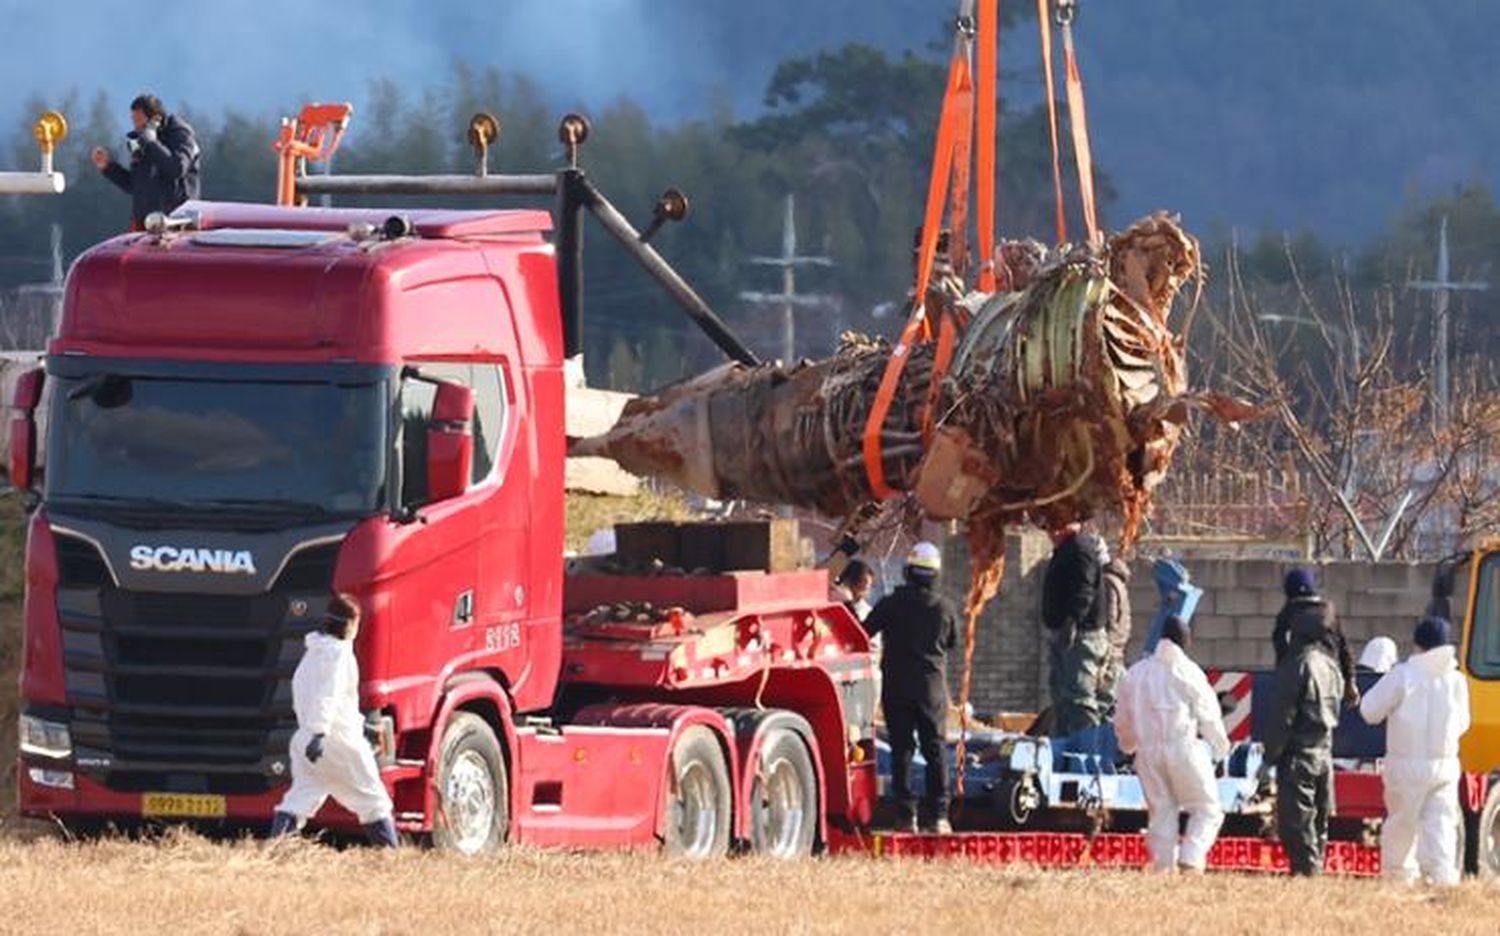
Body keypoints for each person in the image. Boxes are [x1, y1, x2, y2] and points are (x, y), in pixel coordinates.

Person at [270, 595, 397, 847]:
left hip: (305, 739)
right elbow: (328, 694)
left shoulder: (312, 654)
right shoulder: (339, 654)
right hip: (336, 741)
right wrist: (320, 732)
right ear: (351, 624)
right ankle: (392, 856)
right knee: (373, 800)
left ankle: (272, 850)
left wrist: (360, 726)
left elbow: (318, 698)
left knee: (301, 798)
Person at [1359, 617, 1470, 886]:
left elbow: (1369, 710)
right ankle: (1443, 881)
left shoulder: (1404, 675)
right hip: (1445, 766)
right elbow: (1463, 723)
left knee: (1402, 826)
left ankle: (1400, 882)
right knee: (1441, 826)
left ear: (1418, 644)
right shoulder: (1456, 679)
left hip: (1405, 766)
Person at [1114, 615, 1229, 872]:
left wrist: (1129, 746)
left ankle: (1164, 869)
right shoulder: (1189, 672)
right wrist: (1221, 747)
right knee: (1207, 809)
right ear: (1185, 641)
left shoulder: (1136, 674)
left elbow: (1122, 720)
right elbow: (1208, 714)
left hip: (1148, 755)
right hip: (1184, 750)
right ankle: (1191, 858)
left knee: (1162, 815)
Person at [864, 542, 958, 834]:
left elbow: (864, 630)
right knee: (935, 750)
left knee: (902, 750)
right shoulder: (944, 607)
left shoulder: (891, 604)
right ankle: (939, 816)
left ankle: (906, 816)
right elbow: (952, 642)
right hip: (931, 689)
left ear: (907, 571)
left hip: (897, 687)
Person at [1262, 606, 1345, 876]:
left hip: (1299, 756)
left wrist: (1269, 757)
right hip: (1324, 753)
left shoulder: (1297, 664)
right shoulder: (1330, 666)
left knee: (1297, 825)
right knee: (1319, 825)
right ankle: (1315, 871)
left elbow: (1283, 715)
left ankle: (1307, 877)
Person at [91, 93, 201, 229]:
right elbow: (135, 185)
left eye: (140, 125)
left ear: (155, 120)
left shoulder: (181, 135)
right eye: (134, 123)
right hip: (145, 224)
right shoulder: (140, 141)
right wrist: (108, 167)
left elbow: (177, 168)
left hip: (176, 223)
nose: (137, 130)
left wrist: (151, 143)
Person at [1042, 522, 1108, 735]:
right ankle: (1064, 744)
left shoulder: (1080, 549)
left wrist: (1072, 621)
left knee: (1079, 698)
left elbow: (1084, 589)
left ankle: (1085, 749)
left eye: (1053, 525)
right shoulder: (1065, 550)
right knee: (1062, 698)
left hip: (1081, 636)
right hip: (1066, 634)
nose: (1050, 530)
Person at [1273, 568, 1358, 706]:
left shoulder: (1287, 614)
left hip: (1296, 681)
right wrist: (1350, 681)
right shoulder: (1328, 611)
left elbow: (1281, 650)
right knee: (1326, 722)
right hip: (1328, 679)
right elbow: (1344, 647)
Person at [1096, 551, 1133, 714]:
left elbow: (1109, 618)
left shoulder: (1107, 582)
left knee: (1104, 704)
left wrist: (1105, 650)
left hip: (1110, 652)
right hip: (1118, 650)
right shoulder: (1119, 583)